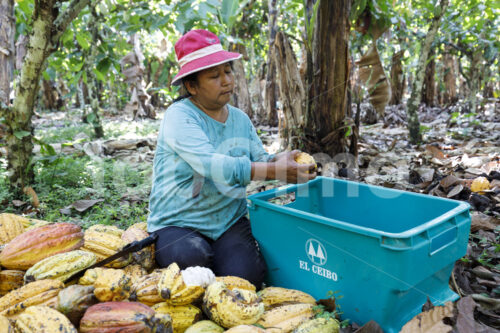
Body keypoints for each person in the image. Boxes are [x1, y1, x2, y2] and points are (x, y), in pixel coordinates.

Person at [147, 29, 316, 287]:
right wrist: (274, 171)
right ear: (191, 86)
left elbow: (259, 159)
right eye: (214, 76)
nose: (226, 81)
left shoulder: (239, 119)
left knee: (245, 277)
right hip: (178, 223)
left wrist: (282, 161)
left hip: (227, 221)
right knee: (193, 257)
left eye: (228, 71)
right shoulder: (179, 116)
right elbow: (212, 165)